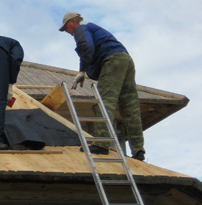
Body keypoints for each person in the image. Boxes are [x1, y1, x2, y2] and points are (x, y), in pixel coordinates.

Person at [59, 12, 145, 161]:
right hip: (125, 60)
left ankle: (101, 144)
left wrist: (82, 70)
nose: (67, 31)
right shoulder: (94, 29)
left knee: (103, 103)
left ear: (73, 22)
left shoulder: (82, 28)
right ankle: (138, 151)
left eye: (66, 27)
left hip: (112, 60)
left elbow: (86, 45)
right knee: (130, 106)